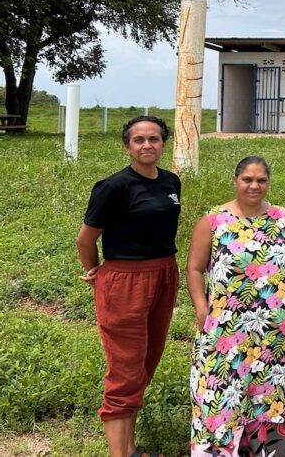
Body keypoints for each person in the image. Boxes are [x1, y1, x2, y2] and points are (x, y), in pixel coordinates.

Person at [186, 156, 285, 456]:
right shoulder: (213, 220)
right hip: (225, 328)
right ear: (235, 180)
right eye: (248, 179)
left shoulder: (282, 218)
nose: (254, 186)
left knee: (271, 387)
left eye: (261, 180)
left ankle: (268, 449)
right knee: (220, 387)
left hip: (272, 326)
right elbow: (193, 268)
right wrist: (202, 310)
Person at [77, 115, 182, 457]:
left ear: (163, 144)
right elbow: (85, 239)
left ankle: (130, 448)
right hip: (125, 281)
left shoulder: (170, 182)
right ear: (127, 147)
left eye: (153, 139)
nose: (147, 145)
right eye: (139, 140)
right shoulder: (114, 187)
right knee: (125, 370)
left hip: (164, 274)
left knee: (145, 364)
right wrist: (96, 272)